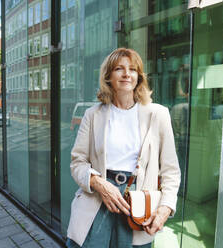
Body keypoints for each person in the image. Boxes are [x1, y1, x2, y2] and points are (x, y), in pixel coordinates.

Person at [66, 48, 181, 248]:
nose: (127, 74)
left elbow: (171, 171)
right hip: (97, 201)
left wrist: (165, 208)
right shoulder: (92, 115)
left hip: (137, 207)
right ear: (108, 76)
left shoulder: (158, 115)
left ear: (139, 77)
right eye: (119, 68)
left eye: (133, 69)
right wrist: (99, 184)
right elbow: (77, 163)